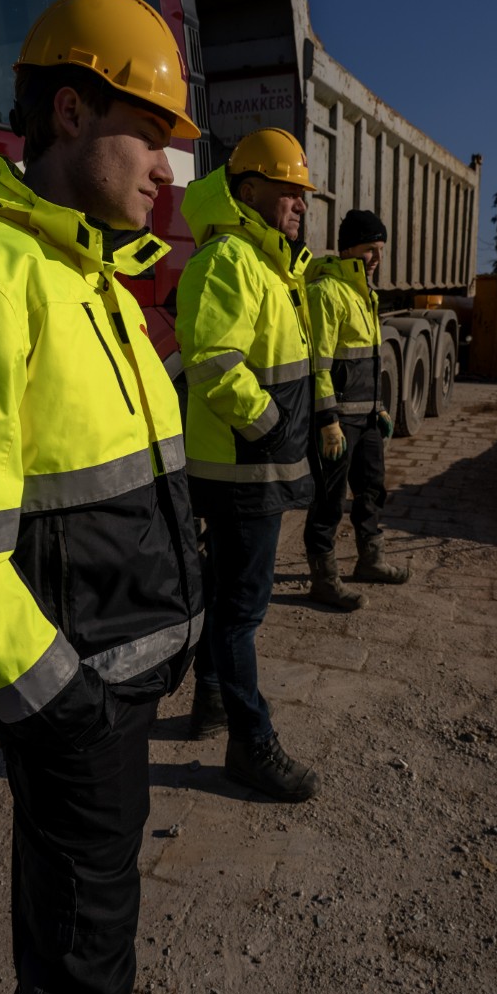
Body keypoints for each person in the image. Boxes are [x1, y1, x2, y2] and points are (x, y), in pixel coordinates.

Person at [0, 0, 203, 994]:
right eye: (150, 135)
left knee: (89, 921)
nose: (170, 171)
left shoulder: (91, 279)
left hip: (117, 679)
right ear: (70, 113)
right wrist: (68, 708)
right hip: (78, 698)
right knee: (81, 962)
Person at [176, 127, 320, 802]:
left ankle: (209, 701)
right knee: (240, 612)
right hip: (241, 471)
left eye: (303, 194)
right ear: (250, 188)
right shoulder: (229, 259)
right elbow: (212, 360)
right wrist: (268, 428)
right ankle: (249, 741)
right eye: (289, 189)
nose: (300, 202)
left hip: (253, 466)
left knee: (230, 602)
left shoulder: (265, 263)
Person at [304, 209, 410, 610]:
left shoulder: (366, 293)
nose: (377, 258)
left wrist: (379, 407)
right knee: (329, 499)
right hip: (338, 420)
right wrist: (327, 419)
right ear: (348, 248)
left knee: (371, 490)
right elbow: (319, 363)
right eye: (370, 249)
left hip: (365, 418)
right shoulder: (327, 292)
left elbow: (368, 360)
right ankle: (325, 579)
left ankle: (371, 559)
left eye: (381, 249)